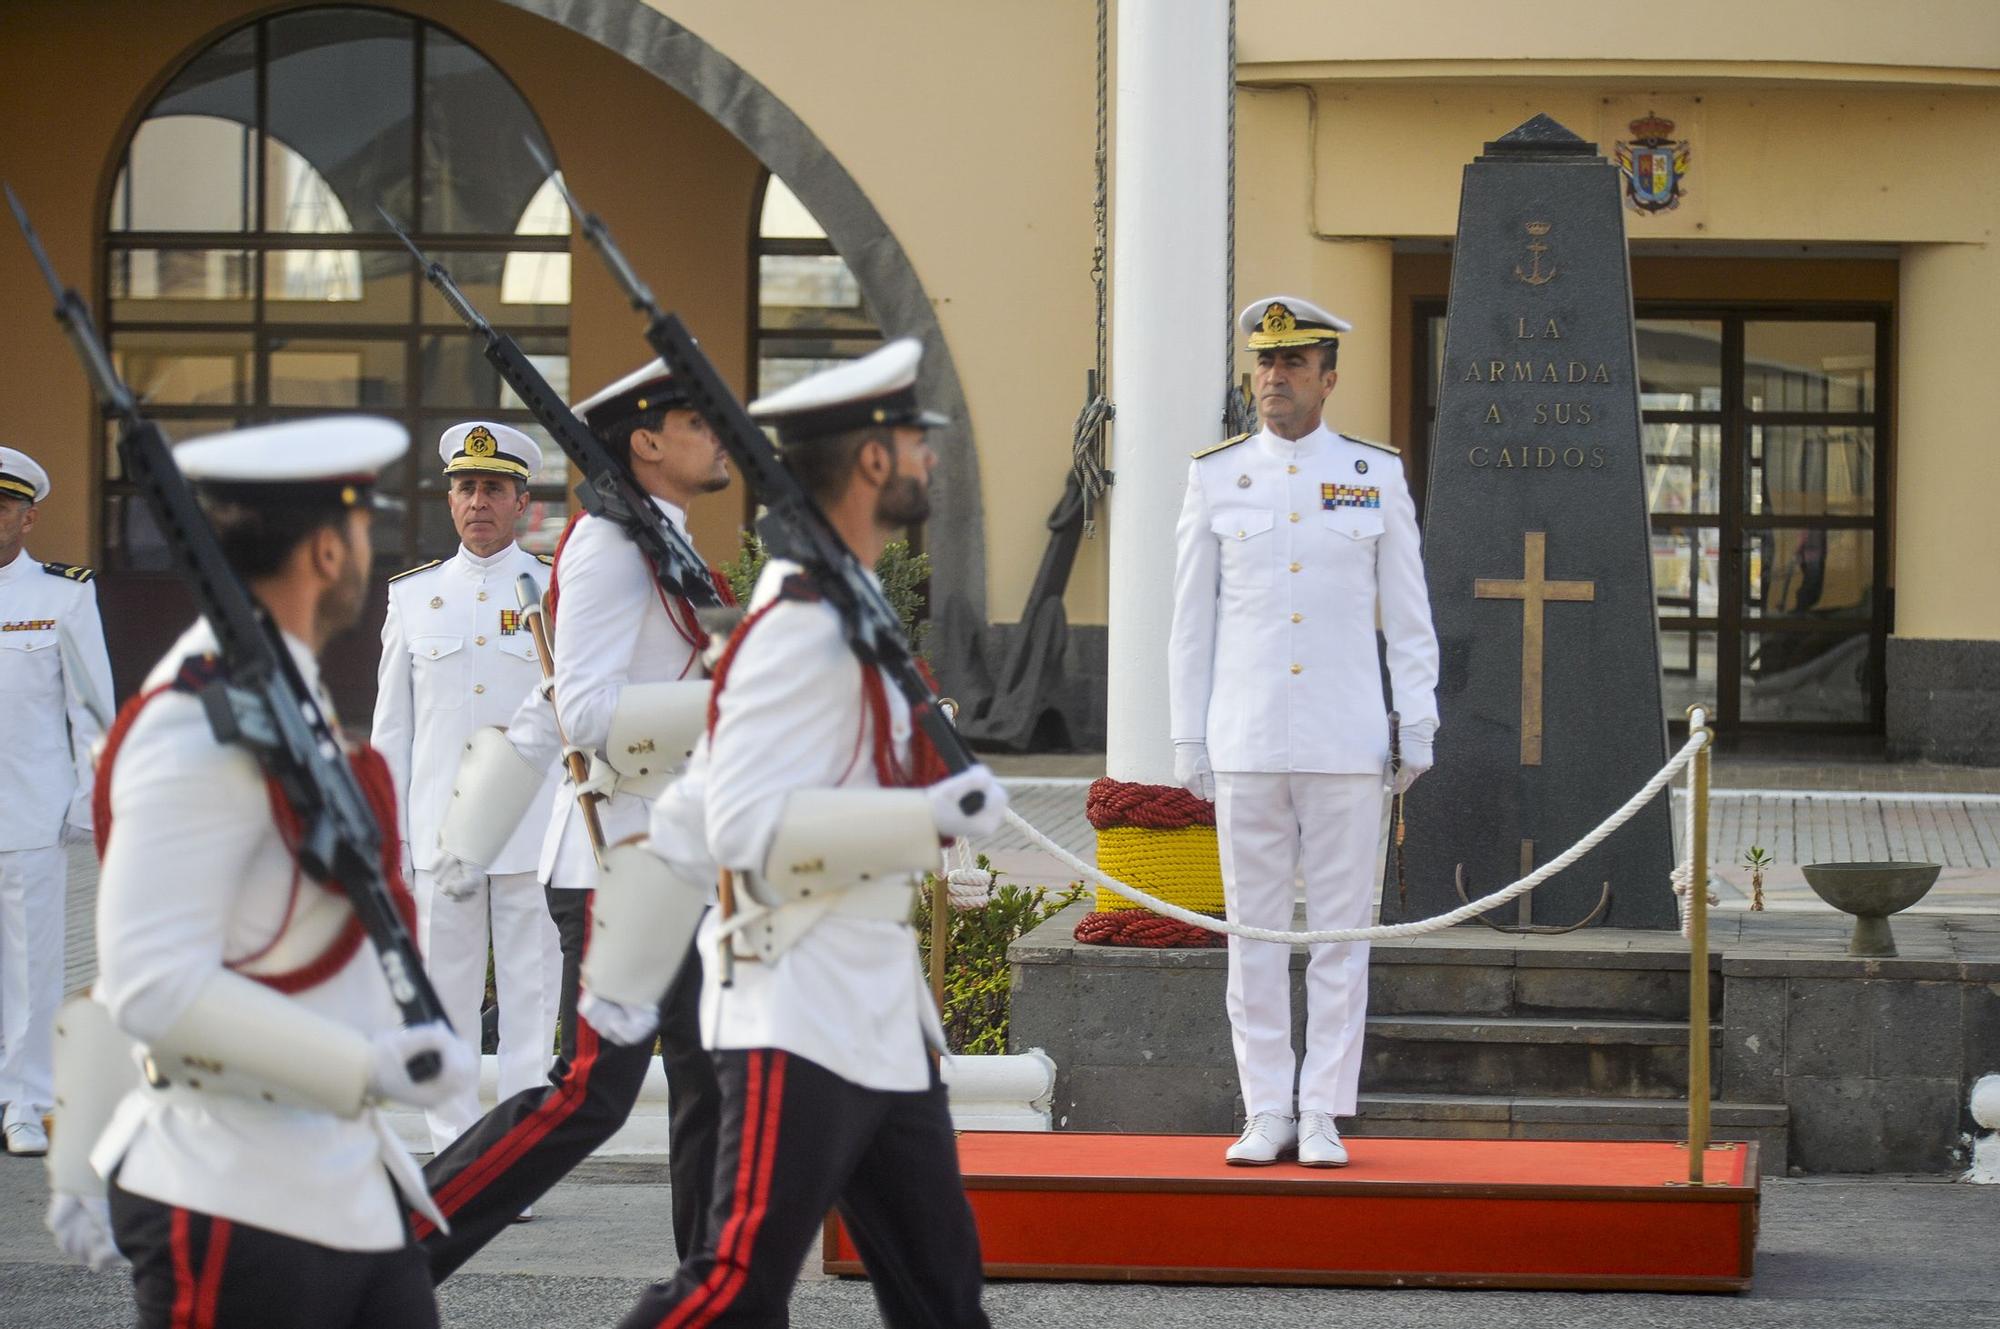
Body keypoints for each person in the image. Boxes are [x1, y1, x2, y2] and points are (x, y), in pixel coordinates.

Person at [595, 337, 1007, 1328]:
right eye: (915, 440)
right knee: (730, 1292)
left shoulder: (846, 604)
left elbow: (698, 811)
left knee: (943, 1301)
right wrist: (925, 817)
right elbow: (741, 826)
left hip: (870, 1007)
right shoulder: (800, 625)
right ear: (872, 461)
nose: (929, 458)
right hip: (797, 1010)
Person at [82, 418, 476, 1327]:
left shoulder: (281, 694)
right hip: (234, 1191)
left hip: (350, 1185)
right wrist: (365, 1063)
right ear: (331, 548)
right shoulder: (193, 724)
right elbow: (150, 983)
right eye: (367, 530)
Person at [414, 361, 732, 1276]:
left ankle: (717, 1292)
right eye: (696, 420)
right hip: (618, 864)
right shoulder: (610, 546)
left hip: (674, 861)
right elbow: (580, 712)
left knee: (711, 1084)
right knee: (590, 1093)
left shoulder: (658, 538)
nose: (717, 436)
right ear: (645, 443)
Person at [1168, 296, 1440, 1168]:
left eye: (1292, 364)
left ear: (1328, 376)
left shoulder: (1373, 473)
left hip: (1345, 738)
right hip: (1246, 737)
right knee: (1252, 936)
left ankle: (1321, 1108)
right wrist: (1187, 736)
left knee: (1337, 936)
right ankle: (1265, 1108)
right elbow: (1190, 619)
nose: (1273, 378)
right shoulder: (1216, 475)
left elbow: (1408, 613)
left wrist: (1418, 719)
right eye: (1264, 363)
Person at [372, 422, 561, 1159]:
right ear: (450, 499)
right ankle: (454, 1144)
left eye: (493, 488)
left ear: (521, 501)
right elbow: (393, 729)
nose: (477, 501)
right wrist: (392, 834)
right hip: (441, 831)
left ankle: (513, 1151)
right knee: (443, 995)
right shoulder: (416, 598)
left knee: (531, 996)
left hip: (530, 828)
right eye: (465, 487)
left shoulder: (552, 590)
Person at [0, 446, 113, 1159]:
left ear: (29, 515)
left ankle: (26, 1100)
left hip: (30, 807)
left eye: (4, 505)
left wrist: (84, 800)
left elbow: (93, 710)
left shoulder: (61, 594)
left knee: (34, 964)